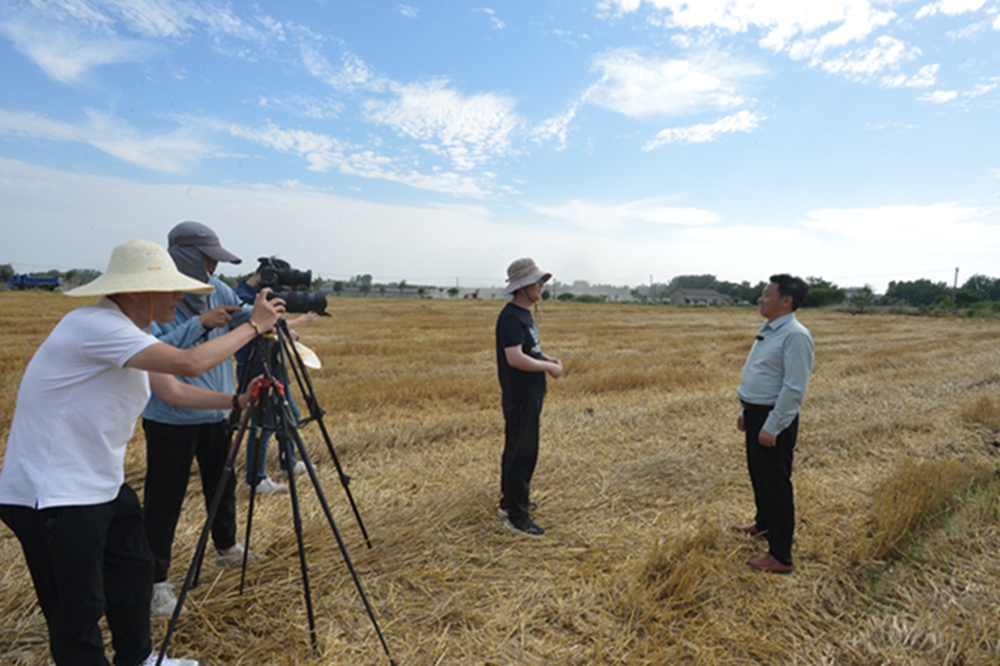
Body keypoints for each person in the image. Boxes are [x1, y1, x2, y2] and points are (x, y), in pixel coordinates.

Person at [0, 239, 284, 666]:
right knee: (78, 610)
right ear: (135, 291)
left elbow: (173, 391)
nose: (180, 297)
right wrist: (253, 327)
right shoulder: (96, 325)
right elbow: (189, 364)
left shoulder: (134, 333)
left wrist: (236, 401)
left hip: (99, 485)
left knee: (134, 573)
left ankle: (139, 659)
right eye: (171, 288)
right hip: (52, 493)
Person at [140, 221, 251, 618]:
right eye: (207, 259)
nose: (213, 268)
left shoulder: (218, 289)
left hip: (216, 411)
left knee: (222, 485)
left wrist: (263, 317)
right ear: (185, 256)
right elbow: (155, 352)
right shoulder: (155, 299)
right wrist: (199, 324)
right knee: (163, 503)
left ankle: (226, 548)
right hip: (172, 418)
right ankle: (155, 584)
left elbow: (240, 320)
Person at [733, 274, 814, 574]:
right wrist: (747, 411)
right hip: (758, 415)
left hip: (774, 419)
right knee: (759, 476)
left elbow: (794, 388)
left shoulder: (795, 336)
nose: (760, 299)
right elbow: (764, 375)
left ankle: (781, 556)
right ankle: (764, 525)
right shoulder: (769, 330)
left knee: (776, 485)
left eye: (767, 294)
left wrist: (773, 425)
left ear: (786, 301)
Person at [234, 258, 318, 494]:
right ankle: (256, 480)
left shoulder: (257, 295)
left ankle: (287, 463)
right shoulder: (241, 298)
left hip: (274, 365)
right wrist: (298, 322)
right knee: (264, 424)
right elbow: (255, 328)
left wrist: (286, 331)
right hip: (256, 369)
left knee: (291, 415)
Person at [494, 258, 563, 537]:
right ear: (522, 287)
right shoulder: (511, 317)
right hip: (521, 395)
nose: (541, 287)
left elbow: (527, 350)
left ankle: (509, 503)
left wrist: (546, 357)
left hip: (528, 393)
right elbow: (515, 358)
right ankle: (517, 518)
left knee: (516, 451)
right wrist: (548, 368)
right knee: (522, 455)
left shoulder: (523, 314)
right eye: (537, 283)